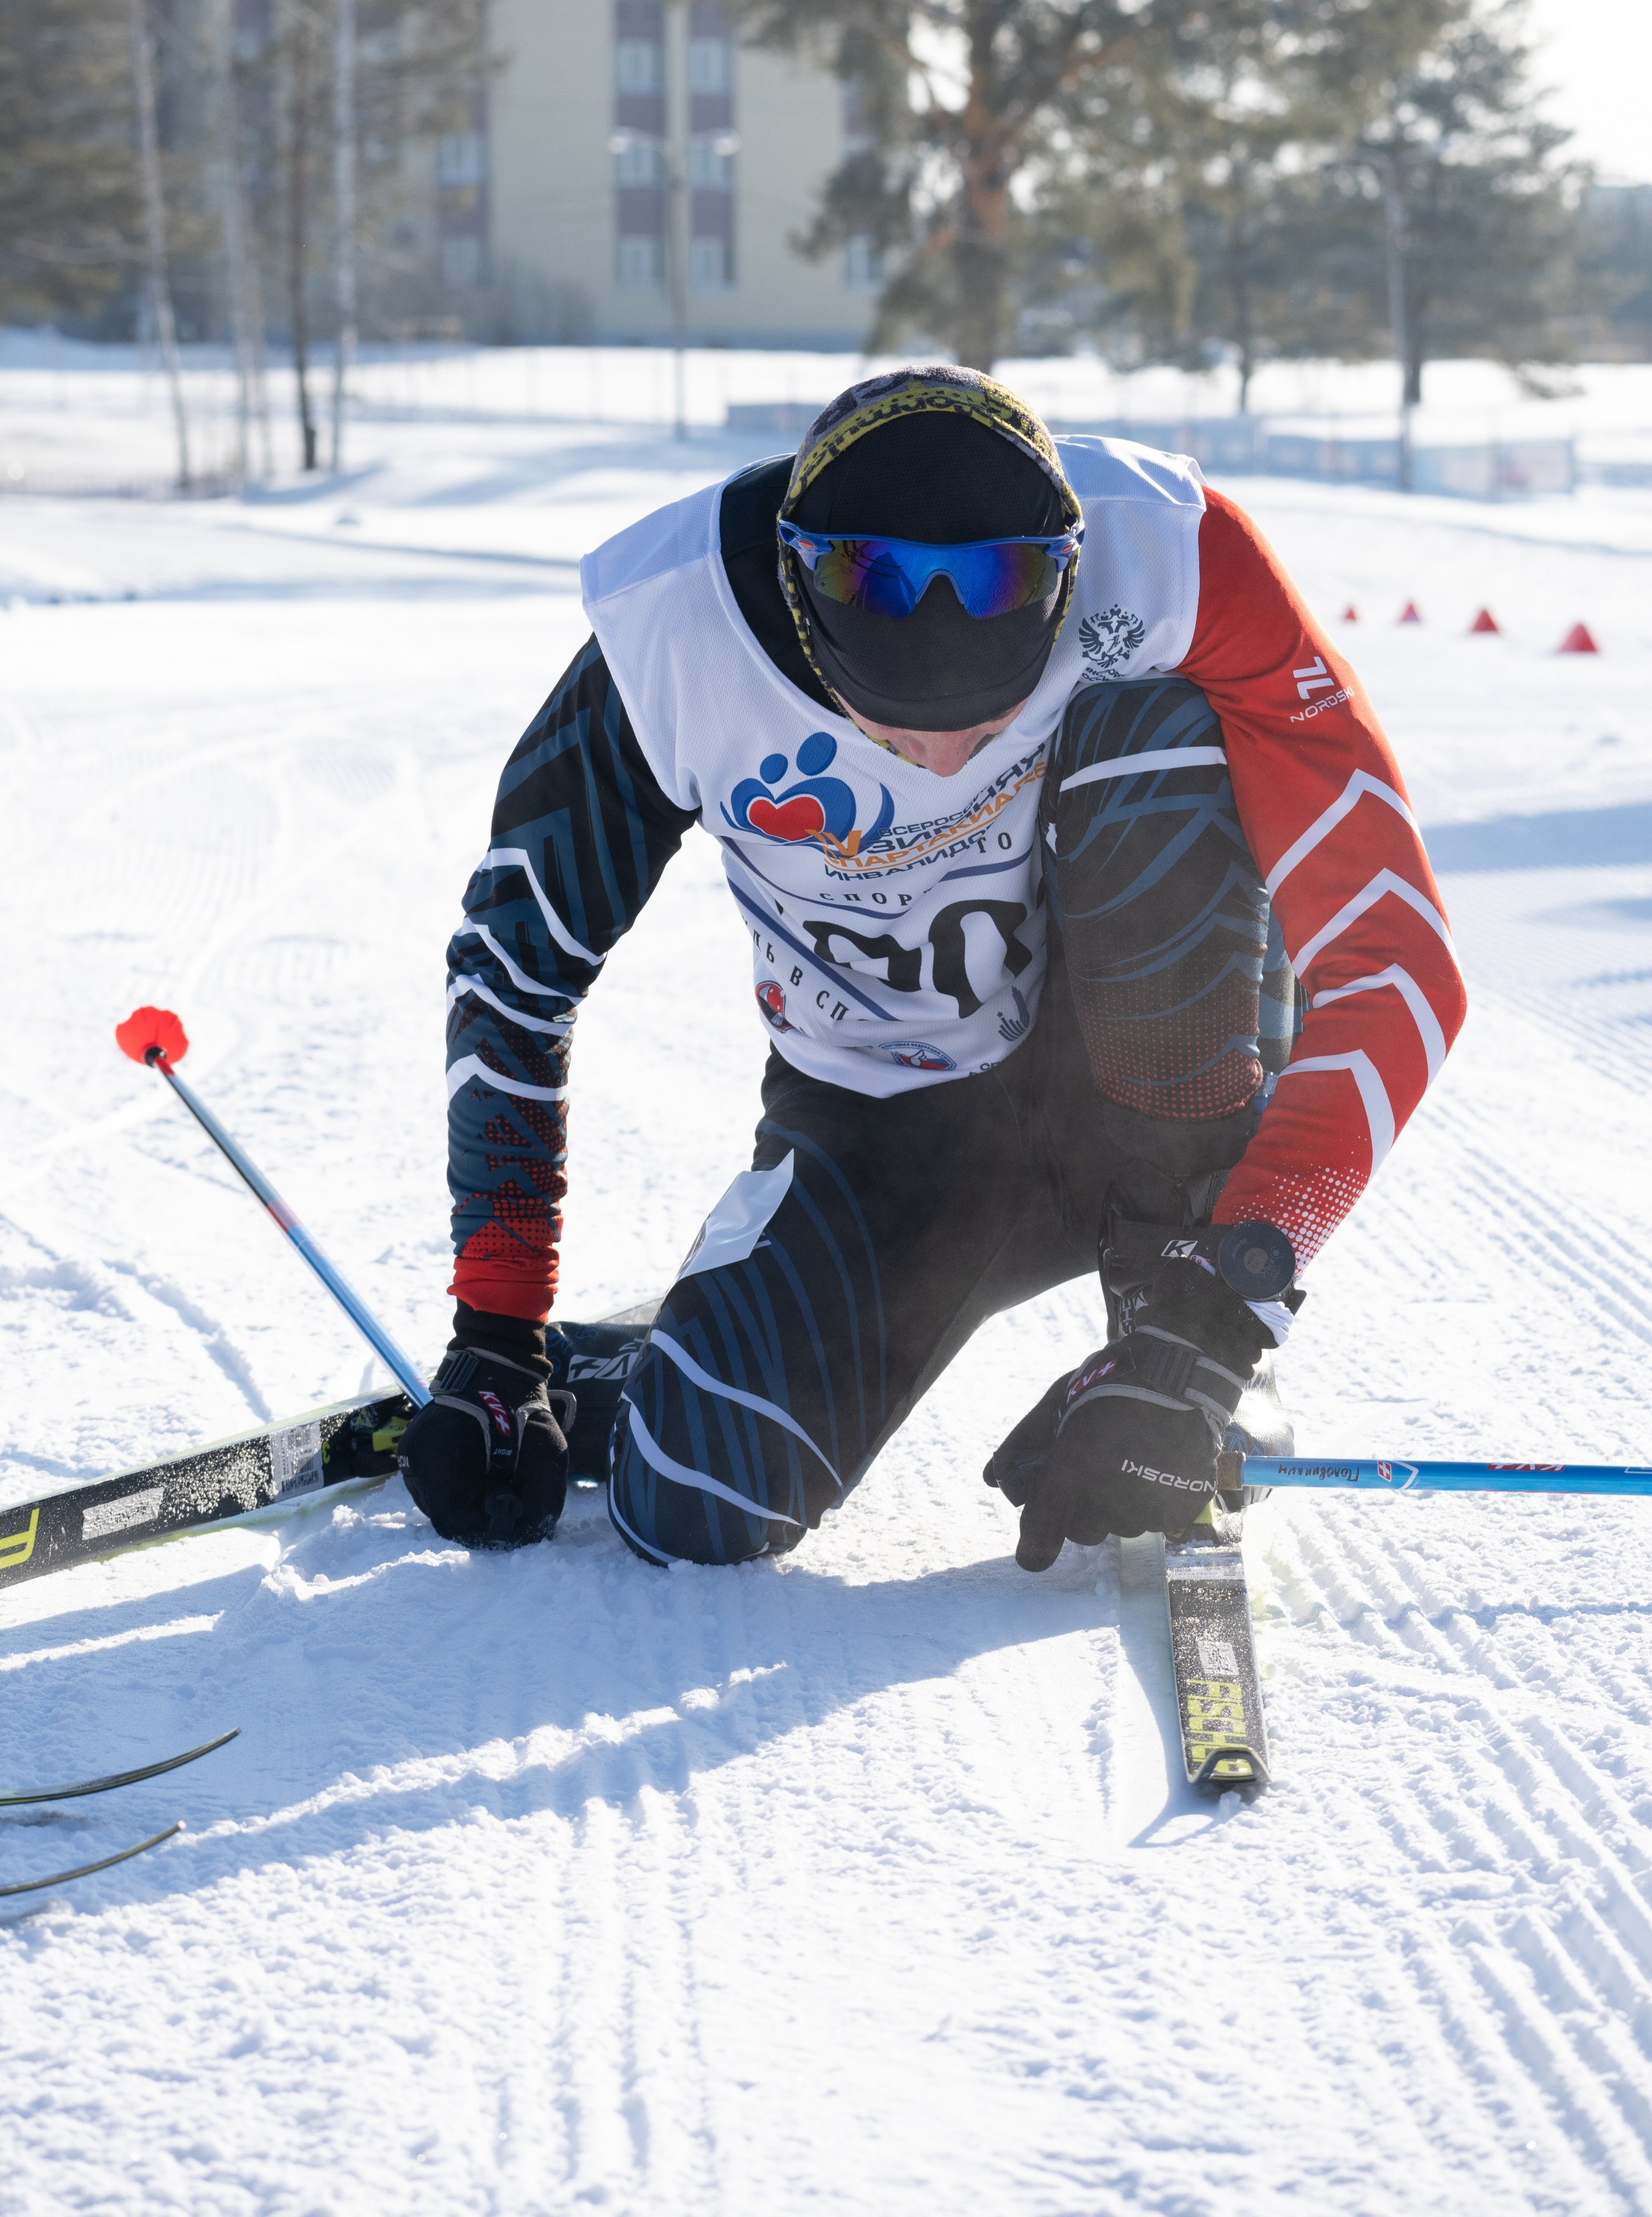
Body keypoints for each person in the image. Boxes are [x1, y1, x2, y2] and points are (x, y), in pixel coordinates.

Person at [396, 365, 1465, 1572]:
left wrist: (1217, 1323)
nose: (949, 762)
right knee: (690, 1504)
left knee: (1155, 738)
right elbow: (514, 972)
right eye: (895, 733)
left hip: (1144, 1089)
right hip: (886, 1129)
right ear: (805, 613)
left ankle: (1165, 1307)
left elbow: (1398, 969)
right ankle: (656, 1362)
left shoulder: (1174, 555)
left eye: (992, 727)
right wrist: (498, 1334)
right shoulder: (676, 632)